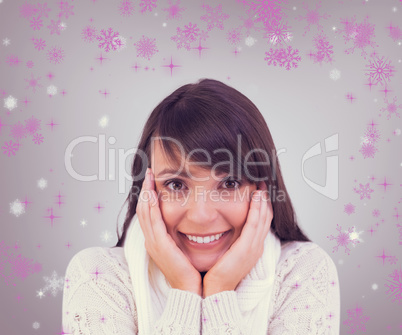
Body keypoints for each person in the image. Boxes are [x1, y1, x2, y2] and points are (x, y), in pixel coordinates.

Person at [62, 78, 340, 334]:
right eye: (176, 185)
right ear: (147, 190)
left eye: (229, 183)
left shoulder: (303, 272)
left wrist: (219, 292)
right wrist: (185, 291)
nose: (202, 215)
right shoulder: (98, 278)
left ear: (261, 189)